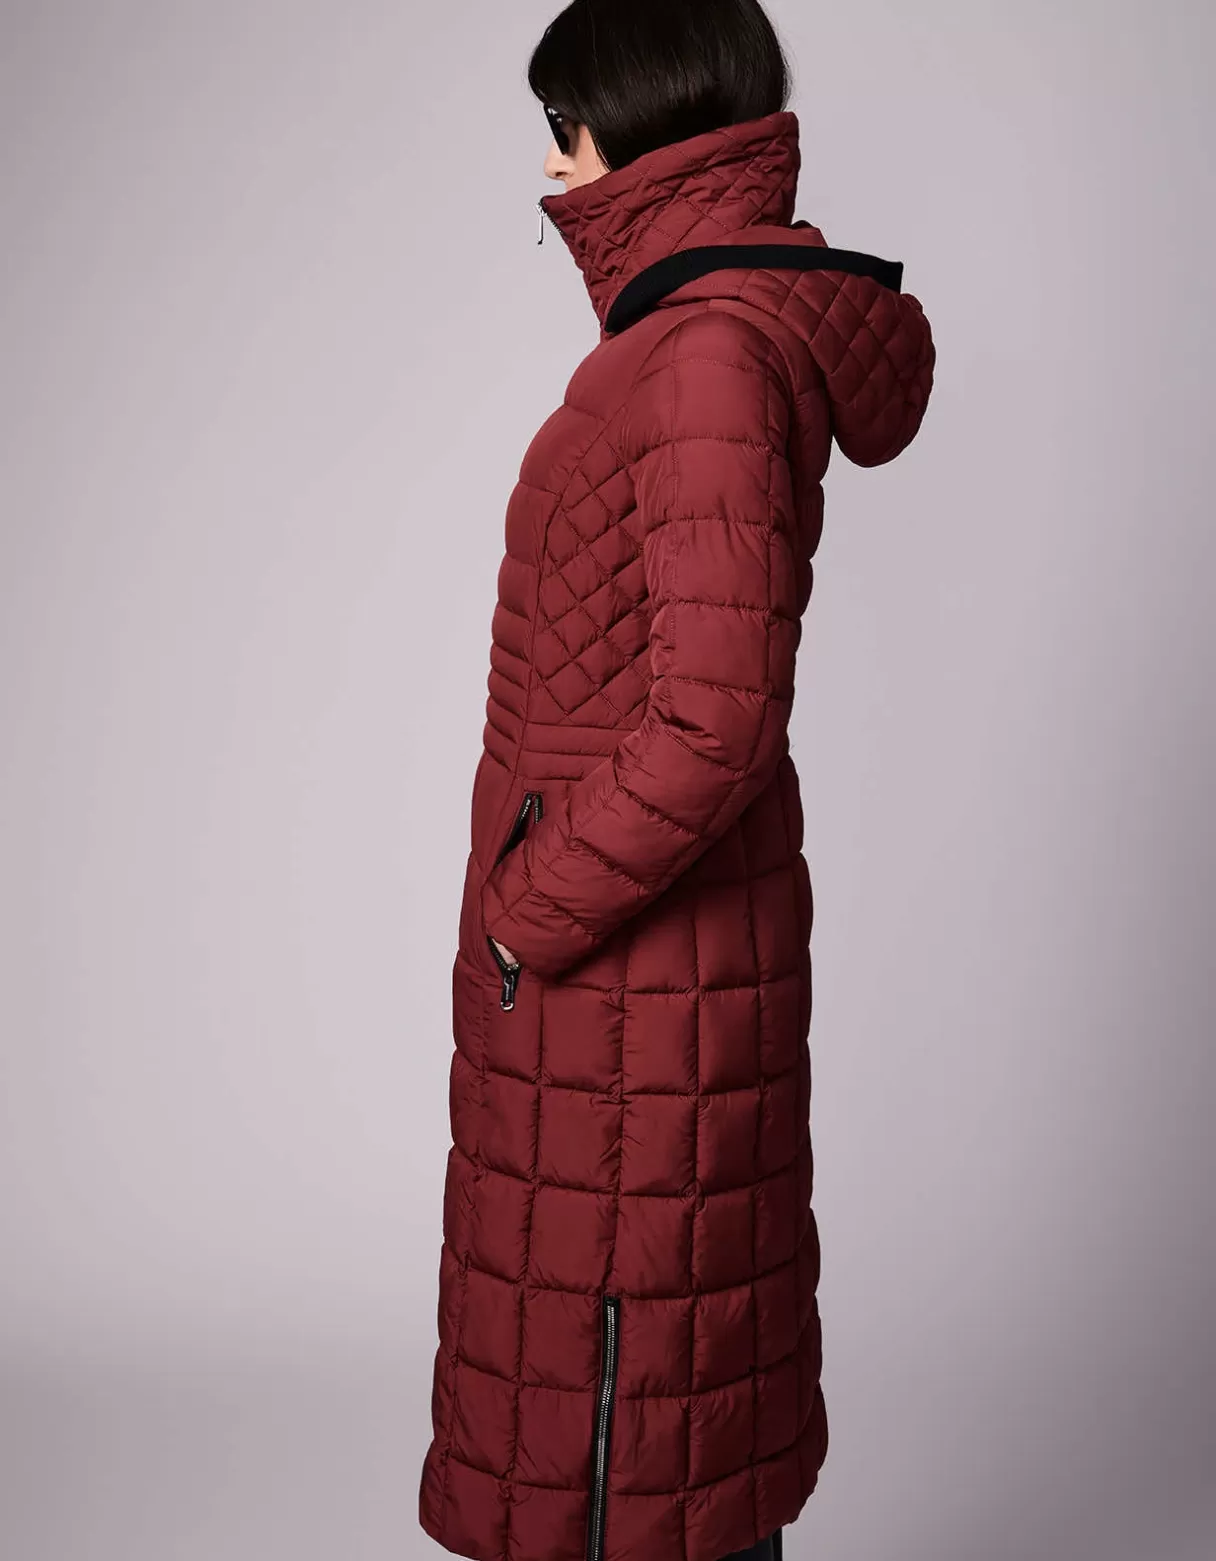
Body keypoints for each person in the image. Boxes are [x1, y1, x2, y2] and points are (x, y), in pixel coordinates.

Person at [418, 3, 935, 1560]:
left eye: (568, 132)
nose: (553, 172)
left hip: (632, 991)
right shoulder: (690, 338)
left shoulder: (704, 354)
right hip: (629, 994)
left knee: (634, 1426)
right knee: (643, 1414)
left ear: (647, 131)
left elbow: (714, 720)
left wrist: (528, 911)